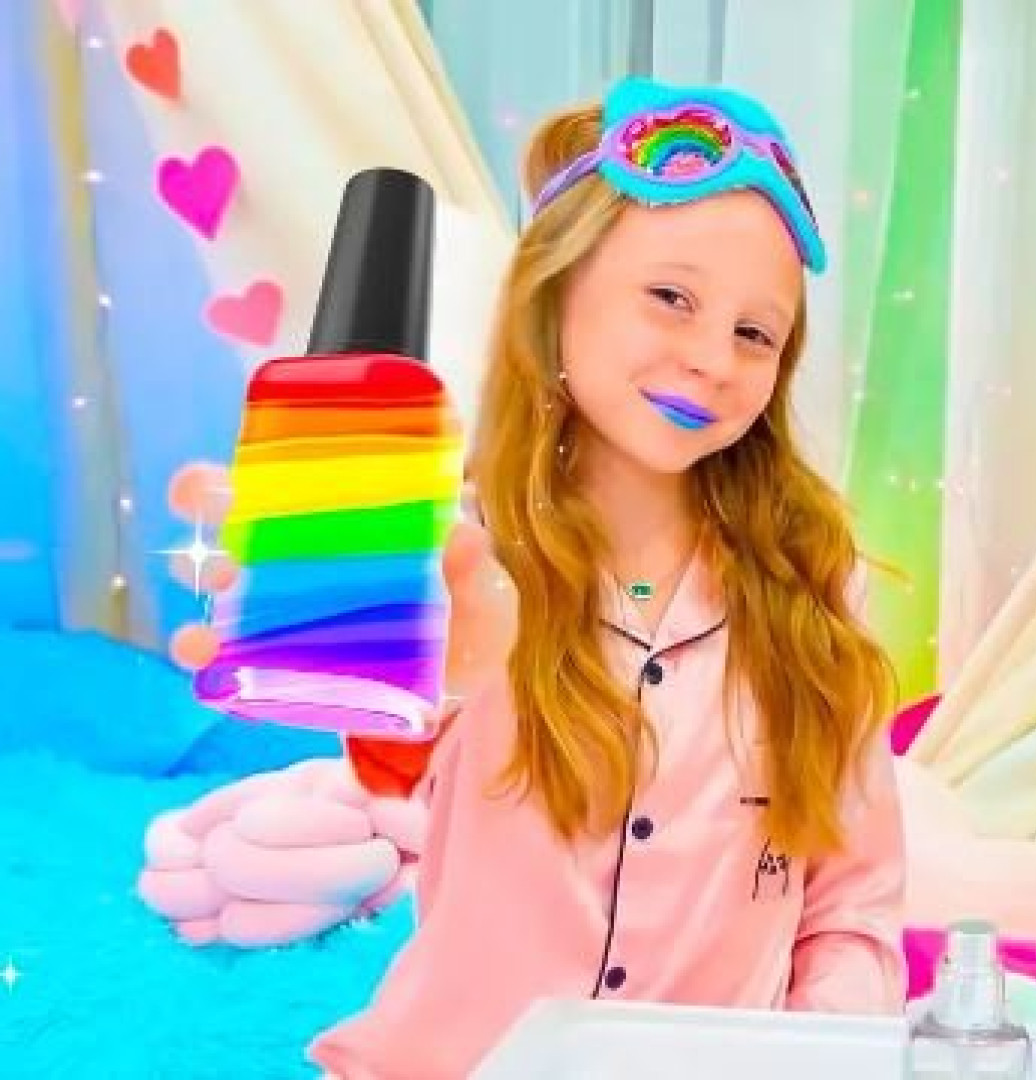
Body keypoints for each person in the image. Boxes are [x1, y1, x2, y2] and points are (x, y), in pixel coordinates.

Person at [171, 76, 906, 1079]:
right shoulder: (456, 554)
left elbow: (852, 905)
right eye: (671, 298)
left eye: (755, 333)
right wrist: (428, 660)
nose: (711, 359)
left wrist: (814, 1056)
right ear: (557, 299)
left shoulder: (818, 586)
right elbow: (397, 742)